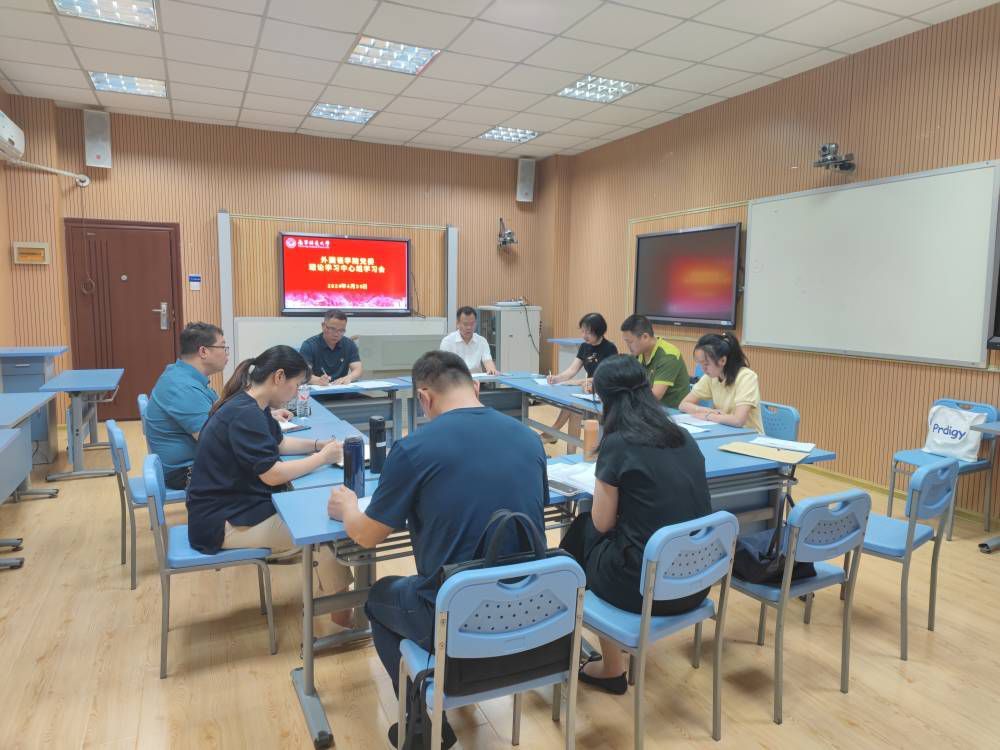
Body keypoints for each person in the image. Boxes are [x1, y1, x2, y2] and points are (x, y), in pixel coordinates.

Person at [327, 350, 547, 749]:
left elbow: (367, 536)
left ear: (424, 398)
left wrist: (347, 508)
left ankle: (421, 726)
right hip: (533, 612)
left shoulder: (414, 448)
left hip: (456, 614)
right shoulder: (530, 439)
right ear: (476, 387)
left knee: (379, 597)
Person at [560, 355, 713, 695]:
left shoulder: (618, 444)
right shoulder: (683, 436)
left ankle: (609, 665)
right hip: (696, 581)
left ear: (604, 398)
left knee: (582, 534)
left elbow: (602, 523)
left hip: (646, 589)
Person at [186, 345, 354, 627]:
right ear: (279, 377)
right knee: (326, 532)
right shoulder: (245, 414)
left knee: (318, 519)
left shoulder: (251, 404)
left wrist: (317, 445)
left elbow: (279, 444)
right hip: (222, 523)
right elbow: (272, 475)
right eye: (296, 385)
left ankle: (338, 604)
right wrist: (321, 458)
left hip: (228, 508)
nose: (296, 392)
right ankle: (343, 620)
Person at [146, 323, 293, 490]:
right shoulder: (182, 388)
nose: (226, 353)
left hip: (198, 461)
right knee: (272, 474)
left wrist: (264, 415)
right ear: (203, 352)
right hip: (187, 471)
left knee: (272, 464)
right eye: (223, 347)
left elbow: (222, 415)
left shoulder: (182, 374)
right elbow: (216, 440)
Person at [542, 312, 618, 444]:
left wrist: (577, 382)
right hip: (588, 390)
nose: (584, 336)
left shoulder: (609, 348)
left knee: (573, 407)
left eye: (588, 332)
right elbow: (572, 369)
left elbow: (606, 376)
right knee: (573, 408)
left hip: (603, 393)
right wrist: (557, 378)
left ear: (599, 331)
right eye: (582, 331)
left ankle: (553, 432)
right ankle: (566, 446)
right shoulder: (584, 346)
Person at [680, 332, 763, 433]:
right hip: (723, 431)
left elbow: (738, 420)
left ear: (722, 360)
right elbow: (683, 405)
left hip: (749, 436)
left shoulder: (746, 377)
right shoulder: (710, 377)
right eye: (700, 364)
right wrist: (709, 411)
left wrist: (708, 416)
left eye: (706, 364)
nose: (703, 369)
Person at [619, 314, 690, 408]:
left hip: (672, 411)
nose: (628, 346)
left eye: (630, 342)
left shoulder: (668, 355)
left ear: (645, 337)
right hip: (649, 407)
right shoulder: (639, 352)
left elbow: (655, 396)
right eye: (626, 342)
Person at [300, 309, 363, 385]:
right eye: (332, 329)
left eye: (341, 330)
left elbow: (358, 369)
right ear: (323, 326)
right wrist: (318, 380)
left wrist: (348, 378)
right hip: (318, 389)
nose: (336, 334)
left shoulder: (349, 344)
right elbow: (303, 374)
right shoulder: (309, 345)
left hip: (341, 388)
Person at [439, 306, 498, 375]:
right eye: (465, 324)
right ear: (458, 324)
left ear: (475, 324)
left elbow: (487, 360)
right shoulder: (447, 341)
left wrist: (491, 369)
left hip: (478, 380)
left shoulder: (482, 341)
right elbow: (444, 368)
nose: (469, 327)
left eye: (472, 324)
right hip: (456, 379)